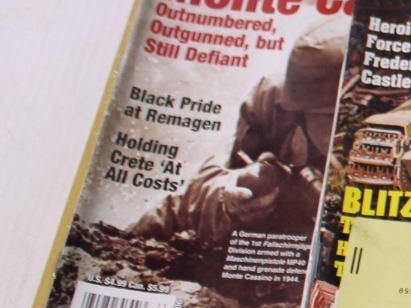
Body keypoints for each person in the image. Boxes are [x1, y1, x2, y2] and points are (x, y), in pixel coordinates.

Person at [128, 17, 344, 279]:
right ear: (302, 112)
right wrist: (230, 197)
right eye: (333, 119)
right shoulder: (275, 103)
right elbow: (198, 193)